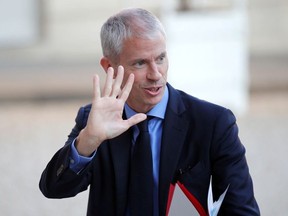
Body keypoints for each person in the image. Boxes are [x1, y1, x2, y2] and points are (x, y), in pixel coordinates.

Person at [39, 8, 260, 216]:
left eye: (161, 58)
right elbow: (53, 189)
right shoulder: (93, 120)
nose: (156, 74)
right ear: (109, 67)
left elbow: (241, 210)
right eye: (140, 63)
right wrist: (88, 141)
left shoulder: (213, 123)